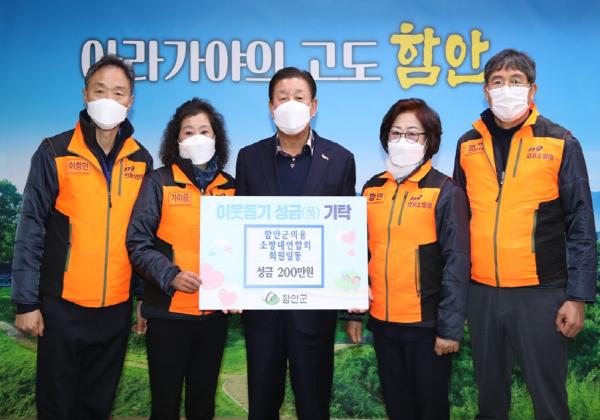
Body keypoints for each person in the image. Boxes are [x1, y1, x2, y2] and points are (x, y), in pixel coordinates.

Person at [453, 48, 597, 420]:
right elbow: (458, 225)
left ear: (532, 89)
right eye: (497, 81)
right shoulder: (467, 145)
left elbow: (581, 221)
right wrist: (459, 295)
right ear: (486, 91)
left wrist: (578, 296)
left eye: (515, 81)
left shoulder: (560, 142)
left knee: (549, 402)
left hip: (542, 294)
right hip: (482, 294)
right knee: (490, 402)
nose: (506, 89)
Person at [11, 54, 153, 419]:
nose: (109, 99)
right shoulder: (54, 151)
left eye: (118, 92)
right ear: (86, 94)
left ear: (130, 100)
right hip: (62, 307)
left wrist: (142, 297)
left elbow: (142, 236)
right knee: (57, 406)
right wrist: (26, 302)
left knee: (98, 406)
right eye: (100, 90)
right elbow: (31, 226)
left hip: (116, 309)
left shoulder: (141, 160)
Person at [235, 67, 356, 420]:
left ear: (313, 106)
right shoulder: (249, 157)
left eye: (299, 97)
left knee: (314, 406)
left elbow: (346, 236)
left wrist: (352, 307)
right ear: (271, 107)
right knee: (262, 406)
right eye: (282, 98)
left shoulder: (340, 159)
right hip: (262, 309)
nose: (291, 104)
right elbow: (239, 228)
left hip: (315, 311)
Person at [345, 98, 470, 420]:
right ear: (385, 137)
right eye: (396, 132)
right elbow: (356, 254)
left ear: (430, 140)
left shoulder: (445, 190)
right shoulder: (372, 189)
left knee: (431, 409)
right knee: (397, 408)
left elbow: (457, 262)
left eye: (413, 134)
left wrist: (450, 330)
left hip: (427, 326)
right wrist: (353, 313)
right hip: (384, 324)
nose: (403, 140)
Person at [126, 98, 235, 420]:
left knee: (203, 405)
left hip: (214, 317)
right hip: (168, 315)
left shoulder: (231, 187)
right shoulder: (158, 181)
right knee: (165, 404)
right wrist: (170, 275)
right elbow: (137, 243)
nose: (197, 137)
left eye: (204, 131)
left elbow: (241, 246)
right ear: (177, 139)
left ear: (216, 138)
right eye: (189, 131)